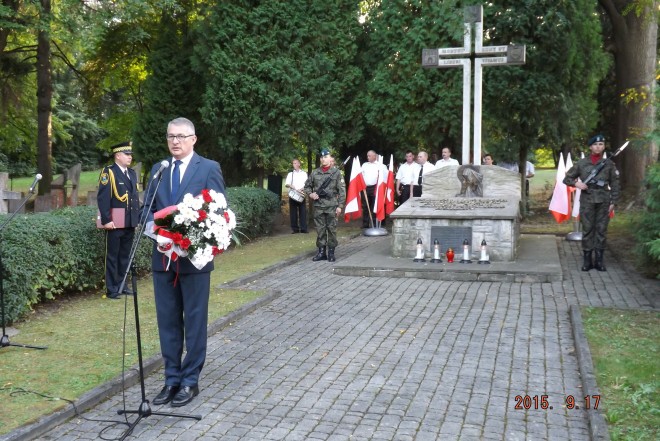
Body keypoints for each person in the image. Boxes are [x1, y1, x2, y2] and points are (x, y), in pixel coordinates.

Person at [143, 117, 226, 407]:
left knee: (193, 321)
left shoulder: (209, 168)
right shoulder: (159, 169)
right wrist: (158, 233)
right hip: (163, 259)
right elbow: (147, 210)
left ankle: (190, 381)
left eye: (180, 136)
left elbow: (219, 211)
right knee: (167, 322)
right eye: (170, 136)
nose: (175, 141)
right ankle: (171, 379)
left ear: (193, 139)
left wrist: (196, 237)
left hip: (195, 260)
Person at [563, 134, 620, 272]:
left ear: (604, 147)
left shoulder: (609, 164)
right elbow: (567, 179)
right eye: (595, 144)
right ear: (590, 147)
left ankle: (599, 261)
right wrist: (578, 183)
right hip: (587, 200)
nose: (598, 147)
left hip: (604, 200)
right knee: (588, 230)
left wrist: (614, 201)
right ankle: (587, 260)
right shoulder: (582, 164)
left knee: (601, 230)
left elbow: (615, 183)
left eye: (601, 144)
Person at [97, 141, 140, 300]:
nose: (130, 157)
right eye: (127, 155)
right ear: (118, 155)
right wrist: (106, 220)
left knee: (125, 256)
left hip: (129, 221)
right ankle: (111, 288)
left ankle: (122, 285)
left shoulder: (132, 173)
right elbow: (103, 198)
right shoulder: (109, 172)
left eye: (130, 155)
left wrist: (135, 220)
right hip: (115, 222)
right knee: (112, 255)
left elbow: (134, 198)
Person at [304, 149, 345, 262]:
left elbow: (342, 191)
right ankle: (321, 252)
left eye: (325, 157)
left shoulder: (336, 173)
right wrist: (311, 194)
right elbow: (307, 186)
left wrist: (340, 206)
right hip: (319, 206)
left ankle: (331, 252)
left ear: (330, 158)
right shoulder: (315, 173)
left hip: (332, 205)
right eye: (321, 157)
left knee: (332, 229)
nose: (323, 159)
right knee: (320, 230)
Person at [360, 150, 387, 228]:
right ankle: (365, 223)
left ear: (374, 156)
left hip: (376, 188)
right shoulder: (364, 165)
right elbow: (361, 175)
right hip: (366, 188)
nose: (367, 157)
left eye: (369, 155)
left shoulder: (381, 165)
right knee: (365, 206)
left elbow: (385, 177)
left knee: (376, 205)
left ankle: (376, 223)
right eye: (367, 155)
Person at [285, 159, 308, 234]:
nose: (294, 165)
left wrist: (302, 189)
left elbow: (307, 184)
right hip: (293, 195)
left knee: (303, 212)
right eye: (293, 163)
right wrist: (292, 186)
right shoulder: (290, 174)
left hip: (301, 194)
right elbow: (287, 184)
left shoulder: (304, 173)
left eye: (295, 163)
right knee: (293, 212)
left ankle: (303, 228)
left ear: (299, 164)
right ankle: (295, 229)